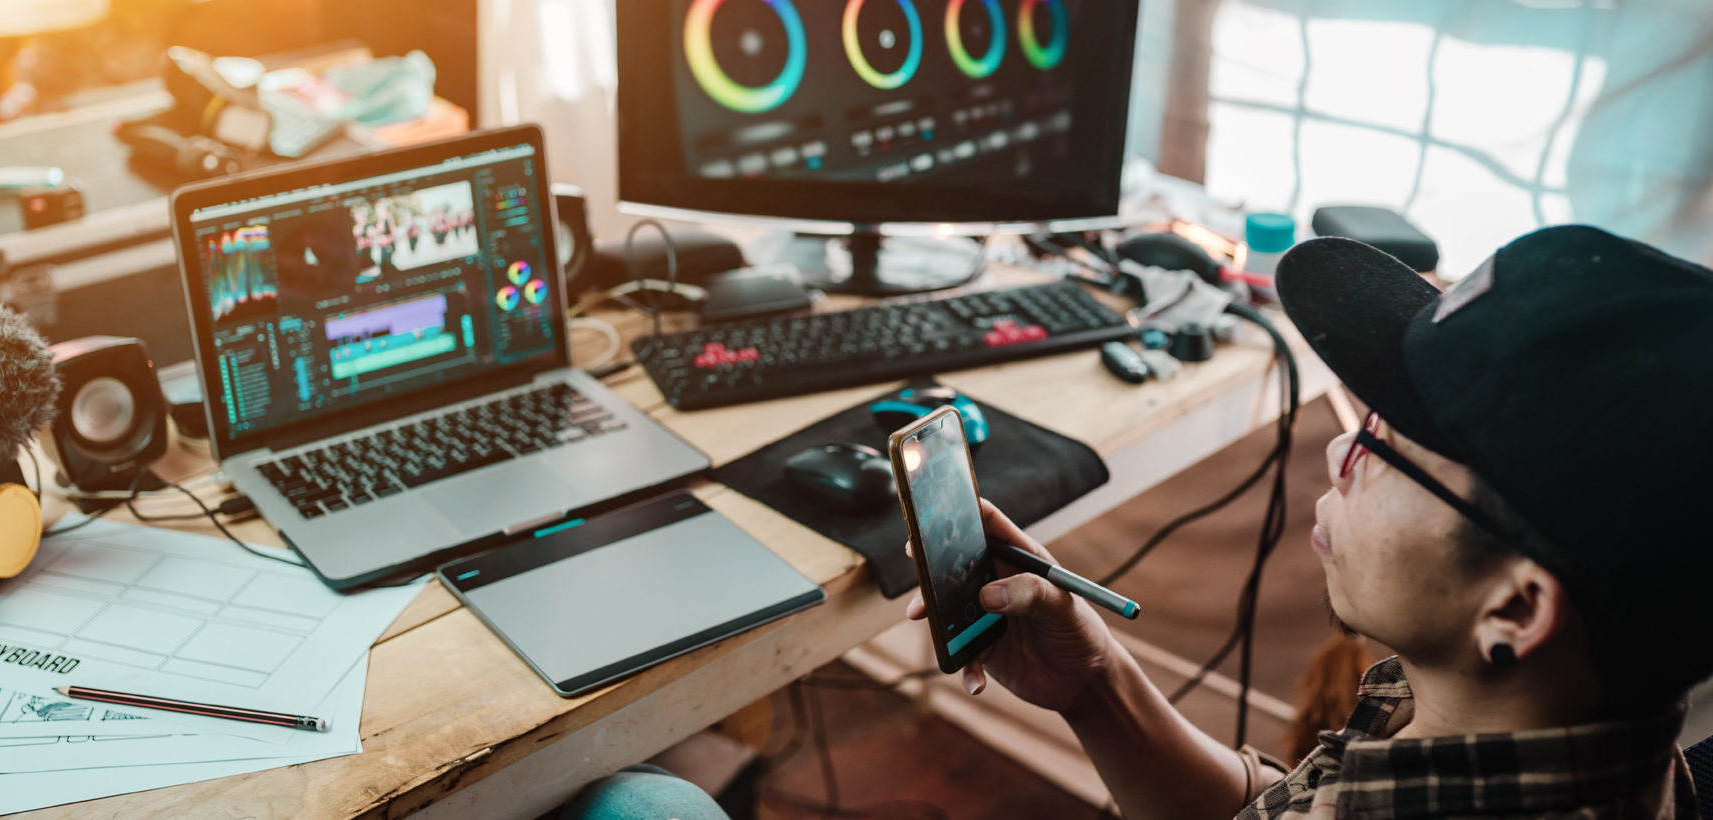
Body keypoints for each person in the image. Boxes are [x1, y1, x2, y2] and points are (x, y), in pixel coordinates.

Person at [563, 225, 1713, 819]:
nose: (1335, 449)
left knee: (640, 799)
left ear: (1516, 605)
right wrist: (1097, 683)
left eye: (1384, 447)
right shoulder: (1553, 739)